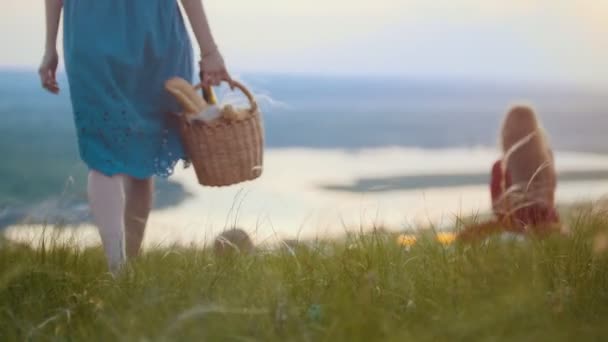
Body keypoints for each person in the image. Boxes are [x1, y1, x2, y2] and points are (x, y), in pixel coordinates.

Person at [39, 0, 232, 275]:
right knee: (143, 157)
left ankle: (119, 272)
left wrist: (49, 47)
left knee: (103, 155)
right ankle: (127, 268)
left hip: (90, 31)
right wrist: (210, 51)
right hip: (156, 32)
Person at [458, 106, 560, 241]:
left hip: (514, 229)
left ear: (506, 133)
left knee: (464, 237)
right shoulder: (547, 160)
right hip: (550, 226)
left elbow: (498, 210)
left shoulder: (500, 167)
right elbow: (550, 201)